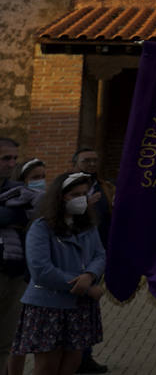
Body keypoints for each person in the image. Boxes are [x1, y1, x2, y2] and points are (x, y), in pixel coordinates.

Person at [13, 172, 105, 375]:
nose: (81, 199)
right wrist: (85, 288)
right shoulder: (41, 227)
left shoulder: (88, 225)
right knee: (47, 366)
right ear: (60, 196)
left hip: (79, 307)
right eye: (74, 194)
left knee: (72, 362)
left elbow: (99, 254)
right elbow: (41, 269)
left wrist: (90, 275)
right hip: (49, 305)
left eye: (84, 193)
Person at [68, 150, 109, 375]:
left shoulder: (105, 188)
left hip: (96, 256)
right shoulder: (64, 186)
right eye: (86, 160)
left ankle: (85, 356)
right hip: (71, 258)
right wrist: (84, 205)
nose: (92, 164)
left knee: (88, 310)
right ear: (73, 164)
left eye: (95, 160)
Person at [0, 150, 37, 375]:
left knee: (5, 341)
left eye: (15, 158)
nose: (12, 163)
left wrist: (15, 217)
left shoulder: (19, 191)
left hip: (15, 272)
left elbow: (41, 211)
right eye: (6, 158)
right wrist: (14, 216)